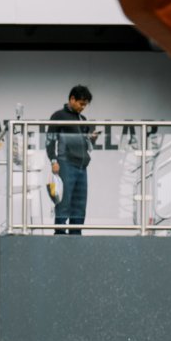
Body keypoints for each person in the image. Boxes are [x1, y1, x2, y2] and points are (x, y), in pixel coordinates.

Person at [46, 84, 98, 235]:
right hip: (66, 163)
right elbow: (50, 140)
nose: (83, 107)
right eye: (81, 104)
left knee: (80, 204)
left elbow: (88, 144)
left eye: (85, 105)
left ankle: (76, 235)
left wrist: (92, 138)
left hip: (82, 166)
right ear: (72, 99)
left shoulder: (83, 119)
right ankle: (60, 234)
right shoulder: (58, 116)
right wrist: (53, 161)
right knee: (64, 202)